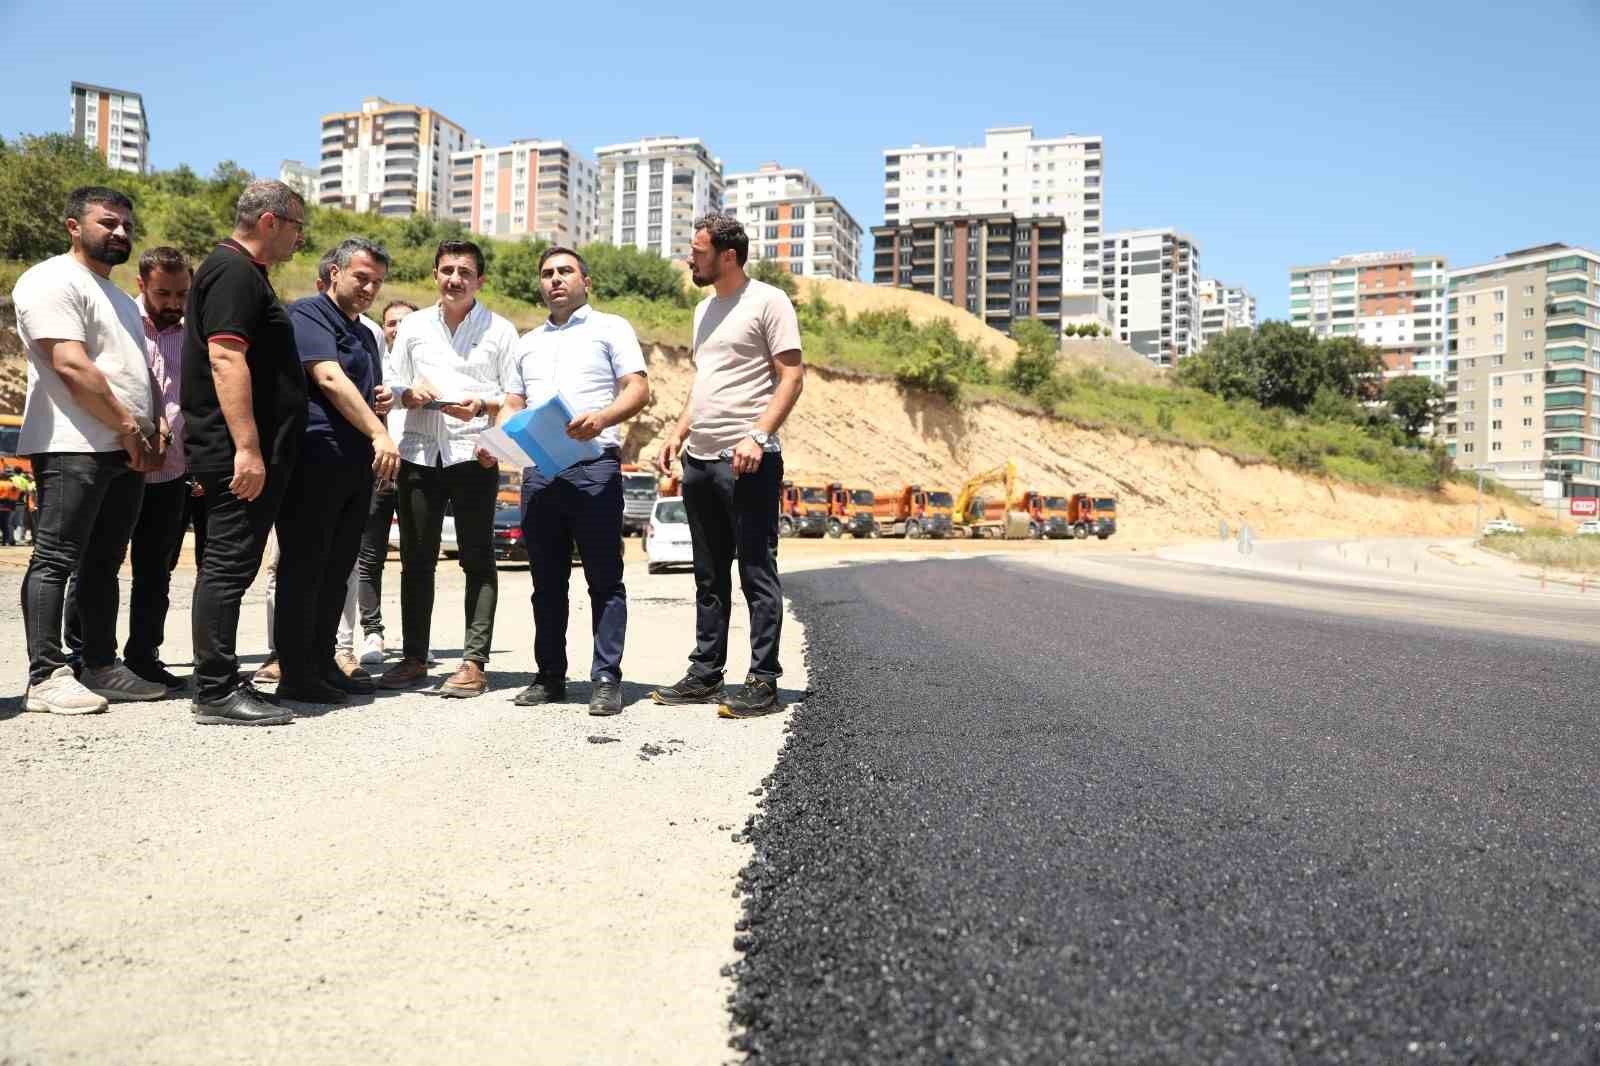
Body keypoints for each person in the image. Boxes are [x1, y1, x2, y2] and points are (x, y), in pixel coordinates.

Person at [13, 185, 168, 714]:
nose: (120, 231)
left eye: (126, 223)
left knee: (104, 562)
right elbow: (72, 365)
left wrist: (153, 429)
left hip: (122, 447)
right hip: (73, 443)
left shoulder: (120, 296)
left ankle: (99, 664)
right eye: (107, 222)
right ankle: (46, 675)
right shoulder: (51, 279)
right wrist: (129, 427)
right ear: (73, 226)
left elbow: (136, 370)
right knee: (56, 557)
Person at [650, 214, 804, 719]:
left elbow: (791, 378)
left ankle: (763, 680)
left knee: (756, 570)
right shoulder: (702, 311)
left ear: (728, 256)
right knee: (709, 575)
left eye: (697, 251)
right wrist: (677, 433)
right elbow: (705, 385)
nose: (689, 258)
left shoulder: (769, 301)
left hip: (749, 462)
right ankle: (705, 673)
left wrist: (758, 435)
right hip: (700, 461)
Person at [492, 247, 649, 716]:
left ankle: (606, 679)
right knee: (546, 582)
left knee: (605, 579)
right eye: (547, 273)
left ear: (587, 281)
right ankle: (550, 675)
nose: (555, 279)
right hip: (540, 472)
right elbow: (512, 402)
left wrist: (601, 419)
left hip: (594, 467)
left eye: (565, 271)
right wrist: (497, 436)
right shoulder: (527, 342)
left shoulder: (612, 328)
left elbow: (638, 389)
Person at [181, 180, 306, 726]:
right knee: (228, 565)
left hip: (246, 451)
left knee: (232, 564)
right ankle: (215, 690)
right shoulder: (233, 272)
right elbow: (226, 360)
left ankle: (218, 682)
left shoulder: (242, 273)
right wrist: (249, 450)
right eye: (298, 226)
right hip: (237, 453)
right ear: (271, 222)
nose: (301, 238)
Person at [378, 241, 518, 698]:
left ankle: (474, 661)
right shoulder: (413, 327)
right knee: (416, 560)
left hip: (474, 454)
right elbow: (390, 385)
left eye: (464, 271)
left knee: (478, 558)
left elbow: (514, 397)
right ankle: (414, 657)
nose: (454, 278)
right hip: (419, 453)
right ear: (435, 275)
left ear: (480, 280)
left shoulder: (501, 331)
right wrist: (407, 394)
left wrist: (484, 405)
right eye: (446, 270)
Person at [272, 238, 399, 704]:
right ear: (334, 273)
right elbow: (327, 377)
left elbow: (360, 387)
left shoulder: (366, 333)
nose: (369, 288)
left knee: (337, 568)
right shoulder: (307, 314)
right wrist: (380, 434)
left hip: (355, 465)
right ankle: (296, 672)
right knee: (304, 567)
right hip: (315, 457)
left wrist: (379, 402)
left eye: (377, 282)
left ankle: (323, 662)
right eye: (361, 277)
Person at [63, 247, 193, 694]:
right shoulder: (118, 322)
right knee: (98, 563)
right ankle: (84, 654)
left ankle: (143, 655)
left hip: (172, 471)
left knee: (156, 570)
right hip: (120, 464)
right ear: (141, 284)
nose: (173, 302)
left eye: (181, 293)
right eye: (163, 292)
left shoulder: (193, 333)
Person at [355, 299, 417, 666]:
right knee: (369, 557)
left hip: (416, 470)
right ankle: (372, 631)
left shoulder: (425, 363)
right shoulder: (371, 361)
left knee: (417, 557)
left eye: (405, 322)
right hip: (378, 470)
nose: (398, 329)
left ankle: (414, 642)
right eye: (391, 323)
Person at [0, 464, 17, 546]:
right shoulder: (12, 485)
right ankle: (5, 541)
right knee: (5, 525)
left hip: (1, 505)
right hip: (8, 506)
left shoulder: (1, 484)